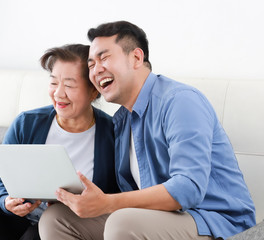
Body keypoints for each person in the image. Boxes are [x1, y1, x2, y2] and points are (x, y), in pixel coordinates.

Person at [38, 21, 256, 240]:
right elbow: (131, 194)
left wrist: (107, 203)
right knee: (56, 218)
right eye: (91, 64)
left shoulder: (179, 101)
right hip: (156, 218)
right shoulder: (122, 120)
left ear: (136, 58)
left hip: (213, 220)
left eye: (104, 58)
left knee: (122, 222)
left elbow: (188, 188)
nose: (96, 70)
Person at [0, 44, 119, 240]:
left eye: (69, 85)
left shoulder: (112, 133)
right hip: (24, 212)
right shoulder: (26, 123)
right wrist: (6, 201)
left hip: (68, 222)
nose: (58, 93)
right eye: (54, 83)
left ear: (93, 92)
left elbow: (120, 194)